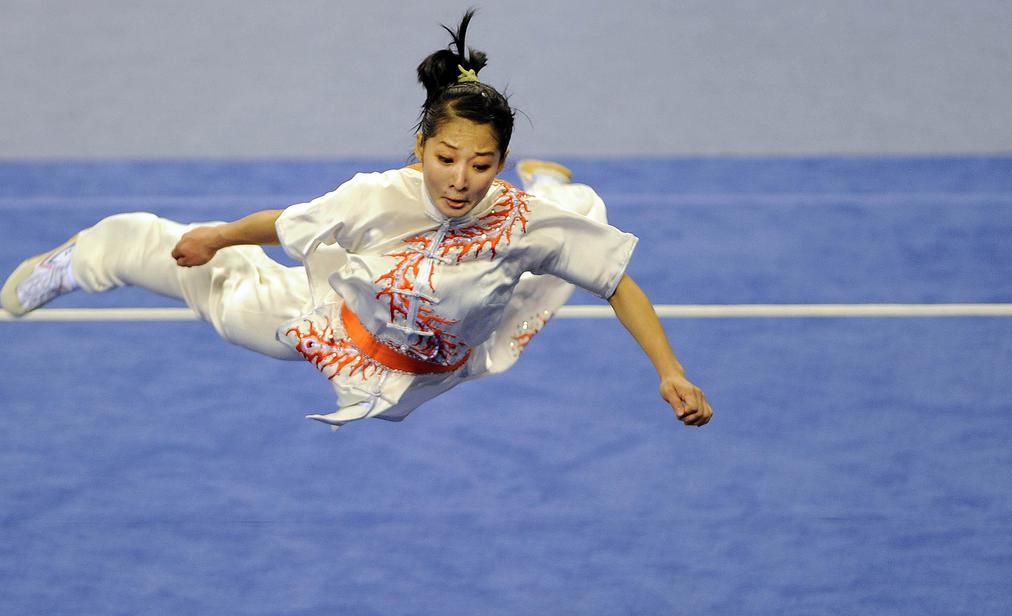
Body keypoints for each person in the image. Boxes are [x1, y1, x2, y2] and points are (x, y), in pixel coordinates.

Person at [2, 11, 712, 429]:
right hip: (340, 329)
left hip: (451, 357)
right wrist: (218, 236)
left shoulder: (522, 221)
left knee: (563, 241)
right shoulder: (376, 196)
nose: (460, 179)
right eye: (445, 159)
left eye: (481, 164)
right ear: (420, 149)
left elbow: (616, 282)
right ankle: (81, 259)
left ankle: (554, 183)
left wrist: (669, 371)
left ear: (499, 163)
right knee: (222, 293)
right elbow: (287, 222)